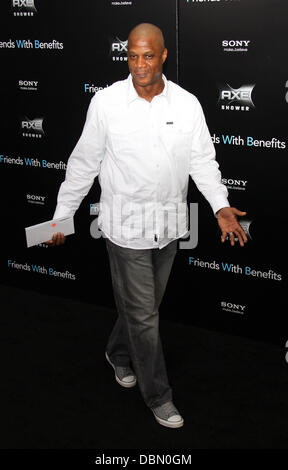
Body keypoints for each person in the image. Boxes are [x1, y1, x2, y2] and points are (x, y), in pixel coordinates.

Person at [46, 23, 248, 429]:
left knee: (145, 308)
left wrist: (220, 207)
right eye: (133, 56)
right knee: (144, 316)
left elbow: (202, 162)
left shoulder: (187, 104)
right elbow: (84, 163)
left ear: (164, 55)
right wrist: (63, 215)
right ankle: (159, 395)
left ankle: (118, 353)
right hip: (124, 229)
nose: (139, 64)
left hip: (171, 227)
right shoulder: (105, 103)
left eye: (148, 56)